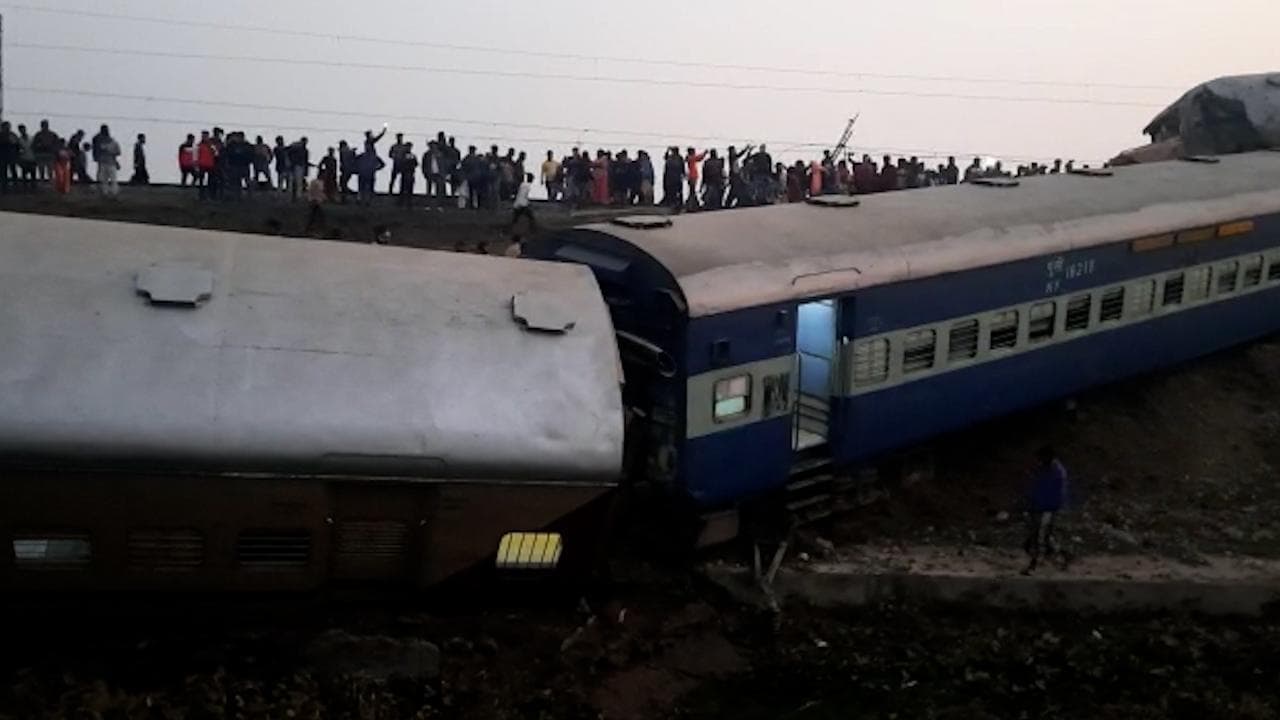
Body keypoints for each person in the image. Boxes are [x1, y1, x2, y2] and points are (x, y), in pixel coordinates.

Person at [1022, 446, 1069, 574]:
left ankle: (1034, 565)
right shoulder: (1042, 469)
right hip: (1039, 508)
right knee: (1040, 537)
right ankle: (1061, 556)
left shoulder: (1057, 472)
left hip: (1048, 509)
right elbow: (1035, 487)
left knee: (1039, 537)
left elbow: (1057, 493)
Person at [95, 126, 122, 198]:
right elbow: (118, 152)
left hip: (108, 162)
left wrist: (109, 151)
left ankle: (110, 193)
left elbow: (118, 152)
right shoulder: (101, 141)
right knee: (107, 179)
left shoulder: (110, 142)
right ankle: (109, 193)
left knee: (108, 179)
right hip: (107, 162)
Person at [422, 140, 447, 210]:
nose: (433, 147)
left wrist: (443, 174)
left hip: (438, 174)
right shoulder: (427, 154)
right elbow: (424, 165)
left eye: (434, 145)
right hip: (430, 174)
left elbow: (443, 165)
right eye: (432, 146)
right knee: (429, 190)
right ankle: (428, 205)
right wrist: (425, 173)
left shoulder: (440, 154)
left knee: (439, 191)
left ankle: (439, 205)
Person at [287, 137, 311, 202]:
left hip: (297, 166)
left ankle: (295, 196)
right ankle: (296, 196)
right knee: (297, 182)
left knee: (295, 182)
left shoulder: (303, 149)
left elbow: (305, 160)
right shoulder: (298, 148)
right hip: (297, 166)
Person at [396, 142, 418, 208]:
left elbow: (416, 163)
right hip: (404, 174)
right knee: (403, 189)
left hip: (411, 174)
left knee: (410, 190)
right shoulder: (402, 155)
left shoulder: (412, 155)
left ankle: (409, 203)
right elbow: (400, 163)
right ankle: (401, 202)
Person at [0, 122, 17, 195]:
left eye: (8, 127)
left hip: (11, 156)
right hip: (3, 156)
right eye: (5, 127)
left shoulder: (12, 134)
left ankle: (15, 187)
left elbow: (16, 143)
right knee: (3, 172)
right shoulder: (1, 135)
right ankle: (4, 188)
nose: (7, 128)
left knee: (13, 171)